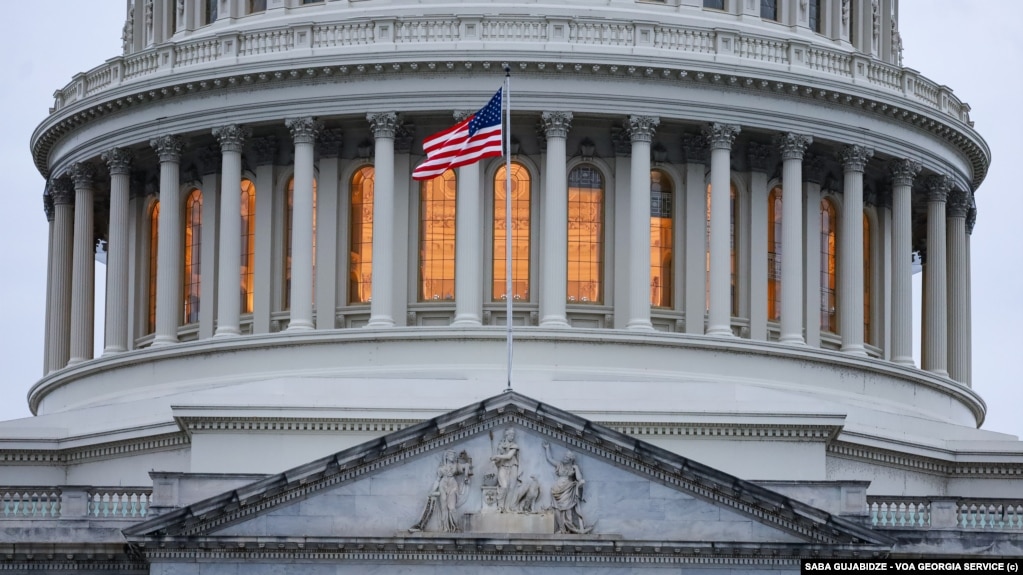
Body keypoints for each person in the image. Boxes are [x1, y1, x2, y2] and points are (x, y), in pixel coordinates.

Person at [542, 441, 591, 534]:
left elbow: (579, 478)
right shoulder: (560, 465)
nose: (564, 458)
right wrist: (547, 448)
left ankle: (570, 527)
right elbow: (549, 459)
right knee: (557, 509)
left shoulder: (573, 468)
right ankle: (561, 528)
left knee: (568, 510)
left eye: (566, 457)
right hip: (556, 490)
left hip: (568, 489)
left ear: (570, 459)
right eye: (564, 456)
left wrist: (576, 468)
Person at [490, 428, 520, 512]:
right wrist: (494, 460)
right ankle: (500, 506)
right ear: (506, 435)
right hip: (502, 466)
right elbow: (499, 460)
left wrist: (496, 456)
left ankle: (508, 507)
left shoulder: (514, 446)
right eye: (511, 435)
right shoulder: (500, 445)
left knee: (511, 488)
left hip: (513, 467)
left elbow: (509, 456)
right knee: (504, 486)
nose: (512, 437)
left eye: (513, 435)